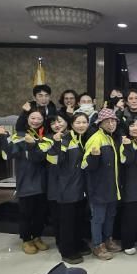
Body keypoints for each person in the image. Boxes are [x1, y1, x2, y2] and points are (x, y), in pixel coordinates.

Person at [0, 110, 49, 255]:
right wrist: (3, 137)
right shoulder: (19, 136)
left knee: (40, 213)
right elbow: (9, 153)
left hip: (43, 181)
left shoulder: (45, 136)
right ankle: (26, 239)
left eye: (39, 119)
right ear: (27, 119)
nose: (36, 121)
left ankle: (37, 236)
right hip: (26, 181)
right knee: (26, 213)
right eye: (33, 118)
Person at [47, 112, 91, 264]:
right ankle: (67, 251)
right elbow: (54, 160)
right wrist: (57, 144)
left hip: (80, 186)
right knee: (67, 220)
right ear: (72, 124)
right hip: (66, 186)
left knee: (78, 218)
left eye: (84, 122)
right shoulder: (64, 139)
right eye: (78, 122)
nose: (81, 125)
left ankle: (77, 244)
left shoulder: (81, 138)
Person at [81, 108, 122, 260]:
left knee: (110, 215)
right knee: (98, 218)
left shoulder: (110, 138)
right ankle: (97, 245)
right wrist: (93, 156)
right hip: (98, 188)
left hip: (112, 187)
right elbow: (85, 165)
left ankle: (108, 240)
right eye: (107, 121)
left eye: (113, 121)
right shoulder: (96, 138)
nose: (111, 124)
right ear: (100, 124)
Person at [119, 118, 137, 255]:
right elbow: (127, 161)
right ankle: (127, 243)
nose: (136, 128)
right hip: (129, 184)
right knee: (130, 214)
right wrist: (127, 145)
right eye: (132, 125)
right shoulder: (124, 142)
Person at [42, 115, 68, 251]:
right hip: (55, 180)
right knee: (57, 214)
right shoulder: (47, 139)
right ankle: (60, 241)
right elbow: (52, 159)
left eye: (59, 121)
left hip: (73, 182)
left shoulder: (73, 136)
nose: (57, 125)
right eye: (53, 123)